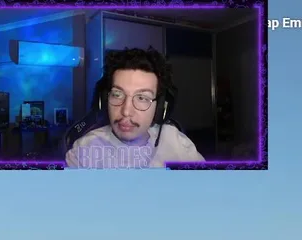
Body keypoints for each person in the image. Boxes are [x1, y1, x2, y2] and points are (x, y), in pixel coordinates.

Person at [65, 48, 205, 168]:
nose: (126, 111)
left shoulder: (177, 144)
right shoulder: (83, 152)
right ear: (104, 100)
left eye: (142, 98)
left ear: (160, 107)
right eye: (117, 95)